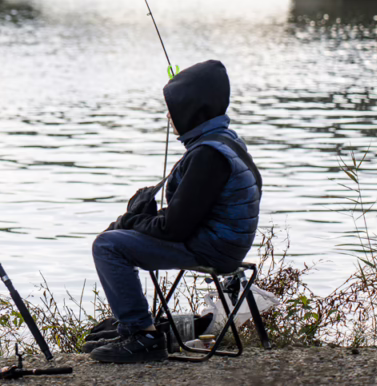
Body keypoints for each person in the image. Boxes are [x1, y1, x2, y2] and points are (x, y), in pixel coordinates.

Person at [87, 59, 262, 364]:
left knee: (107, 245)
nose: (169, 115)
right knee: (118, 234)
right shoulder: (225, 142)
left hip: (213, 249)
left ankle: (144, 336)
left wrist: (132, 220)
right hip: (220, 242)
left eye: (174, 108)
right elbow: (193, 212)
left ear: (192, 109)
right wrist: (143, 218)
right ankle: (132, 328)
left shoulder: (207, 156)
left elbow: (174, 229)